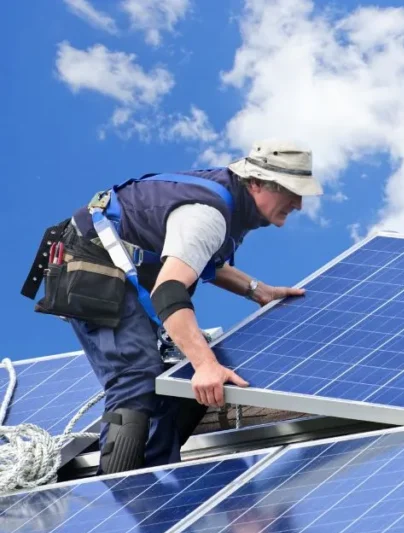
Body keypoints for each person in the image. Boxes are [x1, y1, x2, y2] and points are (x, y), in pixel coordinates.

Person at [21, 139, 323, 474]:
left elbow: (202, 260)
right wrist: (206, 364)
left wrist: (257, 291)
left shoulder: (231, 208)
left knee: (170, 379)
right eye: (290, 191)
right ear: (255, 183)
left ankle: (154, 490)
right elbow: (168, 289)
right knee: (136, 375)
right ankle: (121, 491)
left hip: (116, 266)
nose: (298, 203)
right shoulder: (208, 214)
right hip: (90, 264)